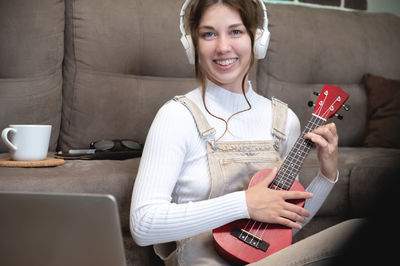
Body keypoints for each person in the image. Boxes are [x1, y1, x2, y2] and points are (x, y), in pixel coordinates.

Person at [130, 0, 340, 265]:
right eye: (209, 34)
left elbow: (283, 222)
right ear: (192, 45)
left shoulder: (285, 120)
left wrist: (327, 175)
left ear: (258, 39)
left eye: (236, 31)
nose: (222, 47)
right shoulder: (177, 116)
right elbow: (143, 225)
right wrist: (245, 204)